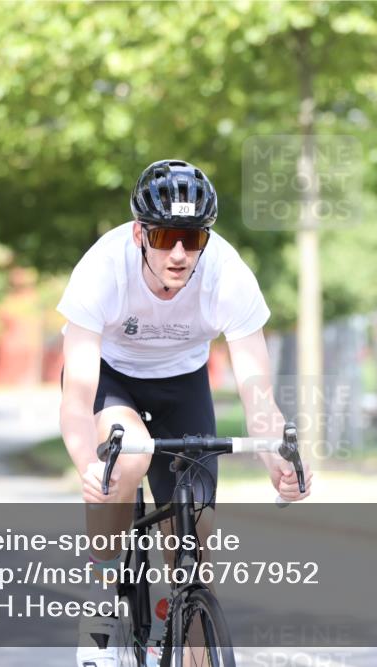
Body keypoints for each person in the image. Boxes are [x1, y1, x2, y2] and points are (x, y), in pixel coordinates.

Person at [56, 159, 313, 666]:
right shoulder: (102, 268)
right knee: (128, 458)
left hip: (182, 383)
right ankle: (104, 593)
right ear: (139, 234)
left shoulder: (227, 274)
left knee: (195, 545)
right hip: (112, 378)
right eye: (166, 236)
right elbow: (77, 392)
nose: (178, 252)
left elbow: (256, 388)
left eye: (192, 239)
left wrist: (277, 462)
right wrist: (90, 464)